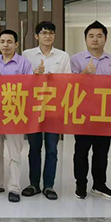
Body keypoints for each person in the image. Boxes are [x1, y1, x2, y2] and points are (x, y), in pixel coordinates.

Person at [70, 20, 111, 201]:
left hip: (105, 114)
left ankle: (100, 184)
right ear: (85, 39)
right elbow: (69, 85)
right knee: (81, 151)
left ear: (105, 38)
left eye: (99, 36)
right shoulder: (76, 59)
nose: (95, 39)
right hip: (83, 113)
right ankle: (81, 184)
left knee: (102, 152)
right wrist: (85, 73)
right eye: (91, 36)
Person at [21, 21, 71, 201]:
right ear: (36, 36)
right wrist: (34, 75)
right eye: (43, 33)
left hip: (54, 108)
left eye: (50, 33)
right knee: (34, 148)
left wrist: (53, 79)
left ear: (55, 35)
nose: (47, 36)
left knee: (52, 149)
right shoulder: (27, 55)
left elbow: (68, 81)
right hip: (33, 108)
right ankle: (34, 184)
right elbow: (21, 81)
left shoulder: (63, 56)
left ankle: (49, 185)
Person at [0, 29, 33, 203]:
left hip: (15, 113)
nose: (5, 45)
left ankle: (14, 187)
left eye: (9, 42)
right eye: (2, 41)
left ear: (16, 44)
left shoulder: (24, 63)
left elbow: (30, 86)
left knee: (14, 153)